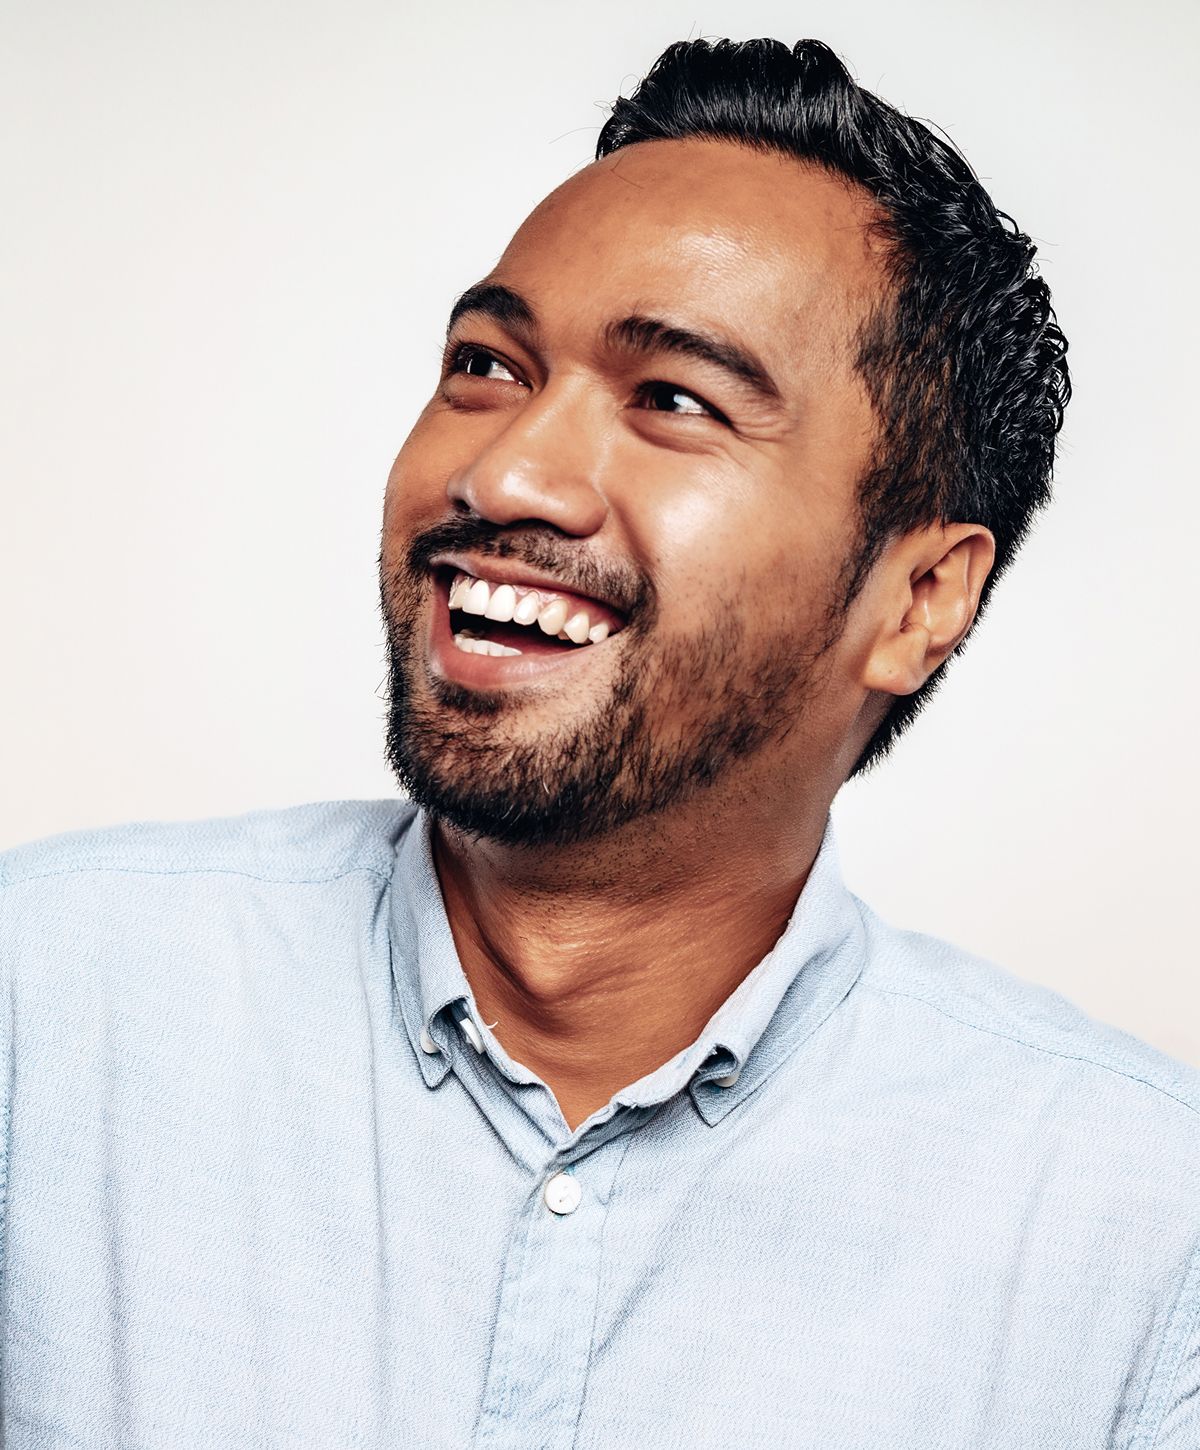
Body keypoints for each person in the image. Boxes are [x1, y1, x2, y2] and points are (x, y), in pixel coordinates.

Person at [2, 34, 1196, 1450]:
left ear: (920, 598)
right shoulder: (43, 1006)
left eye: (674, 400)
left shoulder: (1138, 1231)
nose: (498, 471)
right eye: (487, 364)